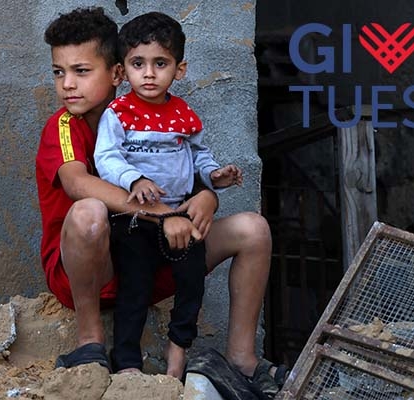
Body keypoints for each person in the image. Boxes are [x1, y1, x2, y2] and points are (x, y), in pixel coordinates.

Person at [36, 6, 285, 396]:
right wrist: (165, 213)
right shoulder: (64, 125)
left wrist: (207, 197)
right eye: (58, 72)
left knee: (254, 229)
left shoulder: (157, 118)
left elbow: (184, 173)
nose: (68, 84)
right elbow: (77, 184)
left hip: (150, 259)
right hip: (89, 270)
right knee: (89, 212)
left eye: (81, 71)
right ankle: (89, 343)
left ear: (117, 73)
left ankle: (242, 360)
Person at [93, 11, 243, 378]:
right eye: (137, 64)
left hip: (181, 217)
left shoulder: (184, 114)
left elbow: (197, 155)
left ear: (179, 69)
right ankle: (127, 364)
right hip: (134, 222)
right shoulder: (119, 113)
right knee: (135, 290)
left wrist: (214, 176)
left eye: (160, 63)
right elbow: (105, 157)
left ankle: (178, 353)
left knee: (192, 282)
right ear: (121, 71)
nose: (148, 73)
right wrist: (134, 180)